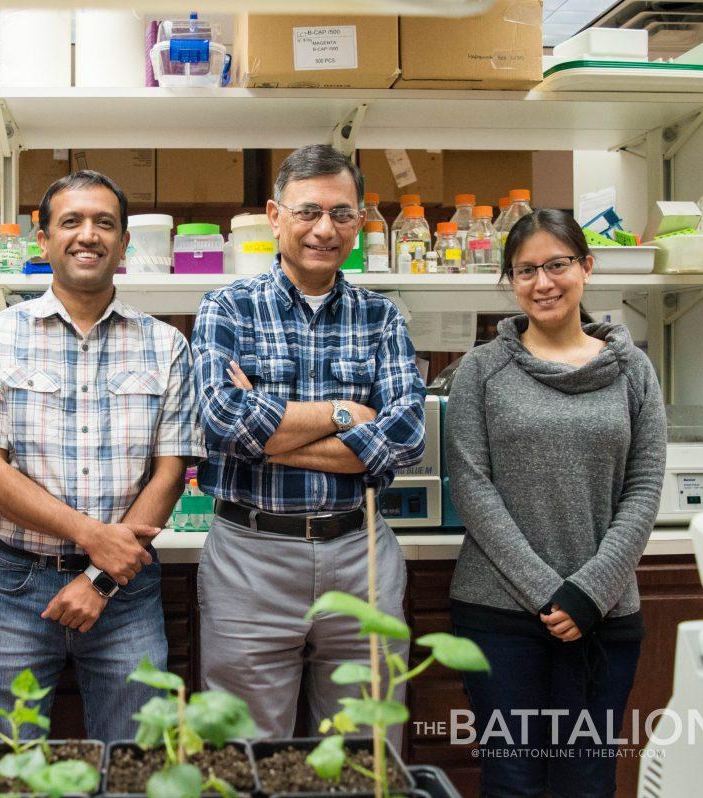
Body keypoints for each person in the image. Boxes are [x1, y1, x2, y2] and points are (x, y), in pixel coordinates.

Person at [0, 170, 201, 741]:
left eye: (104, 223)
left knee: (136, 763)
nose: (88, 235)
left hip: (126, 593)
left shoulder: (166, 345)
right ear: (43, 240)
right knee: (3, 763)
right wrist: (93, 537)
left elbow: (170, 472)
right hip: (12, 585)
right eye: (71, 222)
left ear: (124, 244)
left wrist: (101, 578)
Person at [191, 144, 426, 739]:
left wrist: (265, 435)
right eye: (308, 211)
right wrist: (347, 413)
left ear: (360, 222)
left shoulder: (383, 317)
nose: (326, 228)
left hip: (360, 553)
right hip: (250, 555)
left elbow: (403, 440)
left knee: (365, 749)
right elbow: (221, 423)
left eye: (343, 214)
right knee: (243, 749)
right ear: (275, 216)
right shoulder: (227, 308)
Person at [445, 208, 666, 797]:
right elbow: (471, 486)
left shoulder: (634, 371)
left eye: (557, 265)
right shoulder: (481, 371)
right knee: (512, 779)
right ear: (511, 282)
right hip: (499, 617)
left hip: (605, 614)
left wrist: (588, 593)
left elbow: (644, 488)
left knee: (587, 780)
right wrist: (550, 593)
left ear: (586, 269)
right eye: (525, 271)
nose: (542, 283)